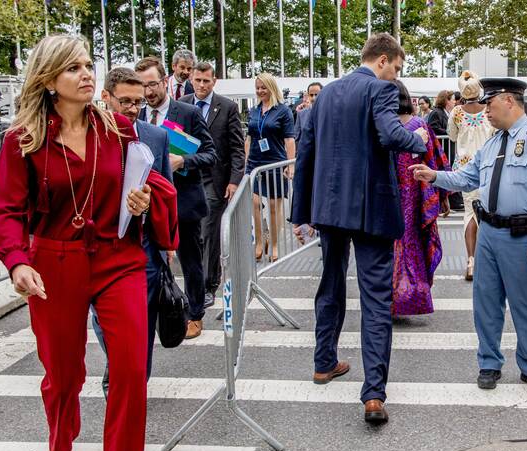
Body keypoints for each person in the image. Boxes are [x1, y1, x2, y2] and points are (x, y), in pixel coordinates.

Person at [0, 35, 178, 451]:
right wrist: (16, 261)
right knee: (64, 372)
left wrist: (141, 202)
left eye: (90, 65)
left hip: (119, 260)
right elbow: (3, 211)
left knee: (132, 371)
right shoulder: (23, 140)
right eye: (73, 68)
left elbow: (152, 182)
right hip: (53, 262)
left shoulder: (117, 127)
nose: (87, 74)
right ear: (49, 81)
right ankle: (62, 428)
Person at [291, 33, 429, 424]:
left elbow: (306, 152)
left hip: (330, 206)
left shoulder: (327, 95)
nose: (397, 74)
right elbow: (390, 134)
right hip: (371, 208)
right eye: (397, 67)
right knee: (375, 299)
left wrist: (303, 208)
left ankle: (324, 362)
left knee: (331, 284)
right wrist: (416, 138)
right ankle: (373, 393)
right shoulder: (380, 90)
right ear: (383, 60)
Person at [410, 77, 527, 395]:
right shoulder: (492, 143)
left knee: (525, 305)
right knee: (486, 304)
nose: (485, 112)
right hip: (489, 233)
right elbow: (467, 178)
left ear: (508, 101)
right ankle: (489, 364)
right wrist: (434, 175)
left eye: (489, 105)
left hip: (522, 235)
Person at [93, 67, 173, 396]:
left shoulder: (155, 136)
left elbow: (167, 190)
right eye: (124, 101)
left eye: (138, 102)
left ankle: (136, 381)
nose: (132, 108)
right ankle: (118, 364)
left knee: (144, 321)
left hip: (144, 248)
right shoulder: (89, 136)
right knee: (103, 320)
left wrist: (168, 244)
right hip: (98, 247)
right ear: (106, 98)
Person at [137, 56, 218, 339]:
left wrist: (182, 162)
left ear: (164, 81)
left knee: (190, 262)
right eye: (142, 86)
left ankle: (195, 313)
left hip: (184, 203)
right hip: (149, 205)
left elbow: (210, 154)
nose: (147, 92)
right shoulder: (137, 116)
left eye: (152, 84)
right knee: (155, 262)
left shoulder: (188, 113)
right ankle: (165, 309)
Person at [180, 61, 246, 308]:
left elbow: (237, 148)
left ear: (214, 81)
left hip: (215, 177)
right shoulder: (183, 104)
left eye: (206, 81)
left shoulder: (227, 107)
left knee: (209, 232)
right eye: (197, 80)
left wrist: (234, 180)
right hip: (187, 175)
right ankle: (192, 283)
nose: (201, 85)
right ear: (192, 80)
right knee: (191, 232)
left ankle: (209, 284)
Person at [391, 80, 449, 316]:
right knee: (412, 243)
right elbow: (437, 161)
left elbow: (435, 161)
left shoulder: (385, 127)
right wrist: (441, 194)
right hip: (414, 195)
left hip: (396, 194)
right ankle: (410, 297)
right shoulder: (419, 125)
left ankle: (394, 299)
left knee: (396, 246)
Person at [447, 70, 495, 281]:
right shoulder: (489, 109)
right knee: (490, 211)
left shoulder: (457, 112)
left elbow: (451, 135)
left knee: (470, 213)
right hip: (489, 165)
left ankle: (471, 261)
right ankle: (489, 261)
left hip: (465, 168)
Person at [246, 73, 296, 263]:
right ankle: (260, 241)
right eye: (257, 88)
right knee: (256, 204)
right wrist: (244, 165)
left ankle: (274, 244)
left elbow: (289, 140)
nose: (260, 91)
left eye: (263, 87)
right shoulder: (254, 110)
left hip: (275, 162)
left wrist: (290, 165)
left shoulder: (283, 111)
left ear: (271, 87)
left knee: (275, 207)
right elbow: (249, 138)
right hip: (255, 163)